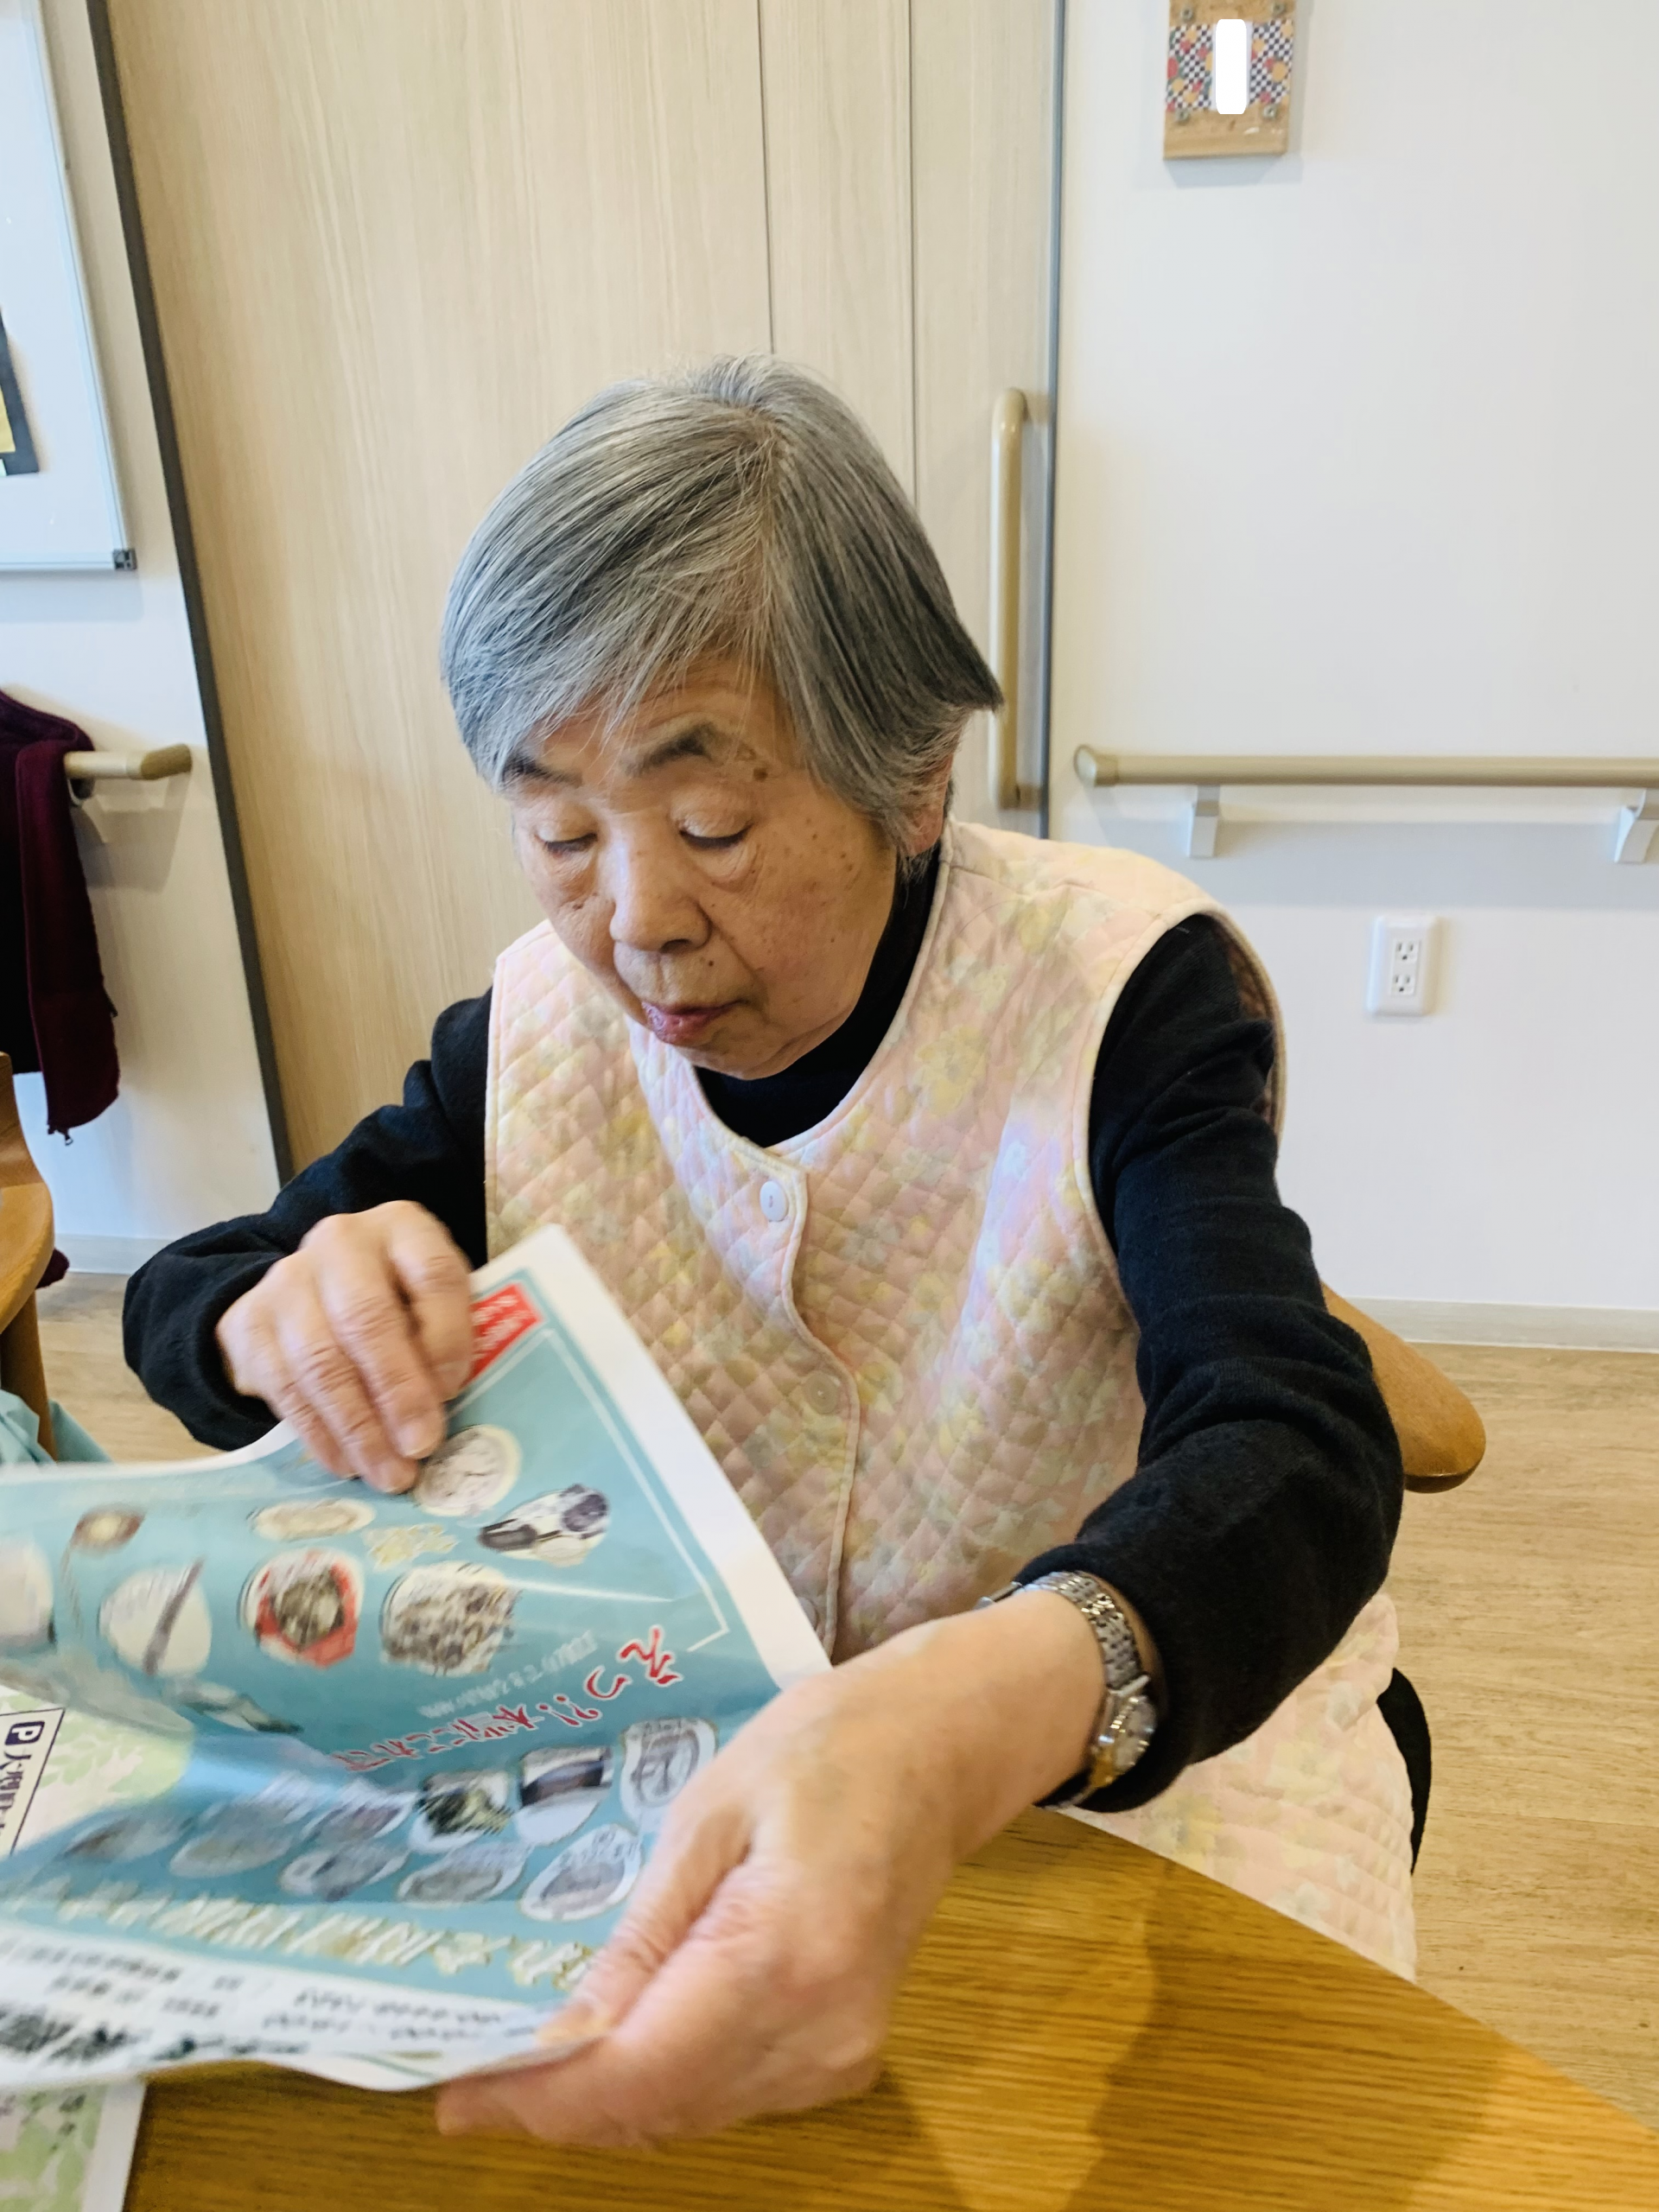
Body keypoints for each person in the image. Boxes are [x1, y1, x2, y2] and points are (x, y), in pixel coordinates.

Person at [126, 358, 1414, 2147]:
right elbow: (191, 1288)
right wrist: (282, 1311)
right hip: (707, 1752)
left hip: (1126, 1728)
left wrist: (1001, 1690)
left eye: (710, 827)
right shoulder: (532, 1031)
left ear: (915, 779)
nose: (635, 917)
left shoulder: (1118, 999)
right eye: (560, 831)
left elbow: (1297, 1441)